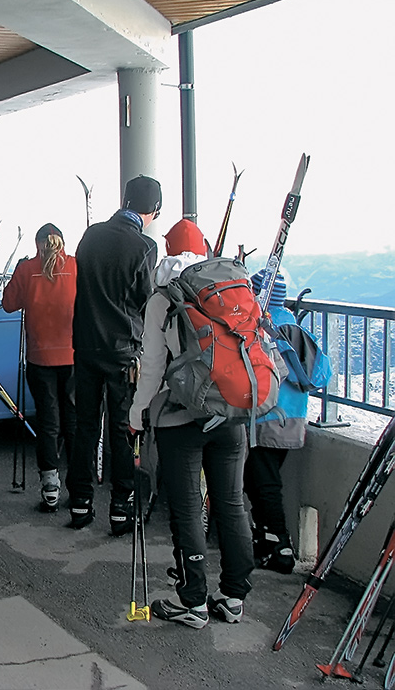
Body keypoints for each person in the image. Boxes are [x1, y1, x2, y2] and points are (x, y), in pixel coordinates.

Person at [129, 218, 254, 629]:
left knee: (187, 508)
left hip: (182, 417)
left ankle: (194, 602)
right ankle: (233, 597)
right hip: (231, 412)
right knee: (232, 502)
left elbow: (151, 368)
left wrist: (137, 417)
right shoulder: (227, 287)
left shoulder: (164, 297)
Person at [66, 175, 161, 535]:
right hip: (122, 350)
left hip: (85, 345)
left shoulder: (90, 236)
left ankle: (80, 504)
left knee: (85, 426)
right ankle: (121, 508)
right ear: (153, 210)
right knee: (122, 429)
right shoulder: (143, 248)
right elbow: (145, 301)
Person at [245, 268, 328, 575]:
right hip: (294, 420)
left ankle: (279, 546)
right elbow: (321, 374)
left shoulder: (256, 327)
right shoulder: (297, 328)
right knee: (260, 481)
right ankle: (267, 540)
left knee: (263, 484)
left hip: (263, 417)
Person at [1, 222, 77, 512]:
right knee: (72, 421)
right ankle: (78, 487)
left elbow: (9, 304)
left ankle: (50, 487)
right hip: (72, 357)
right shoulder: (74, 267)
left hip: (39, 357)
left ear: (37, 244)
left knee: (48, 421)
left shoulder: (27, 269)